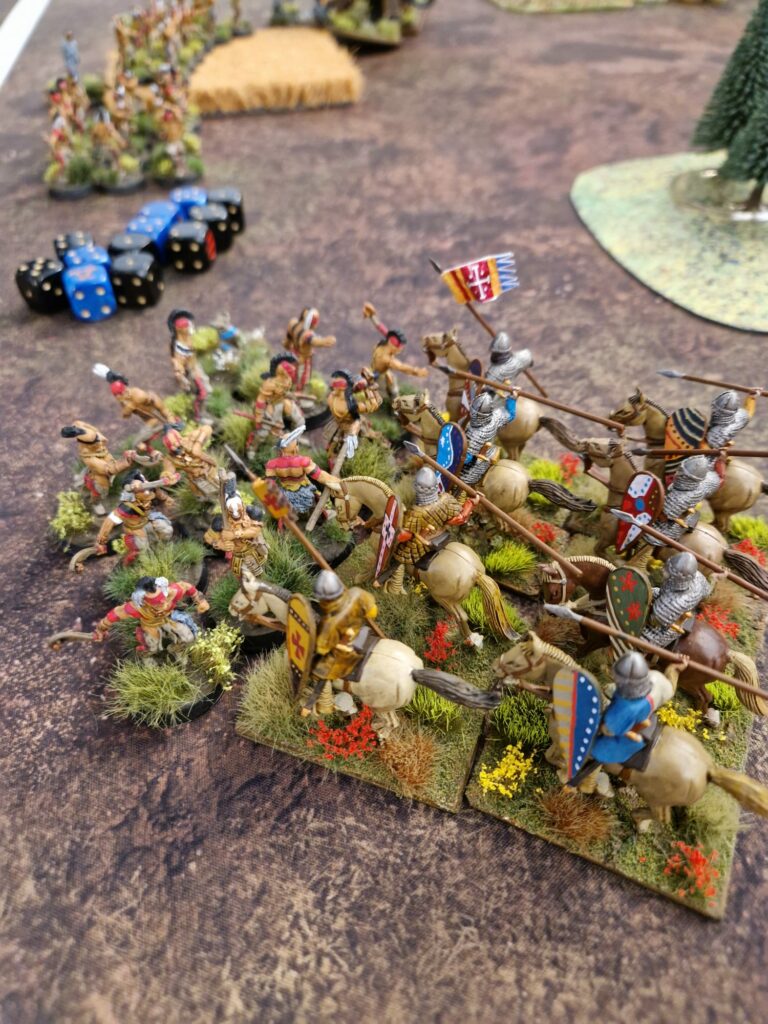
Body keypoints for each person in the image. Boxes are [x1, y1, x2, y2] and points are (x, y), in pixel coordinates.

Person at [93, 575, 209, 654]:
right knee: (152, 649)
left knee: (189, 637)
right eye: (156, 603)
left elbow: (187, 587)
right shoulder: (136, 608)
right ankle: (145, 644)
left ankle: (176, 648)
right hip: (151, 626)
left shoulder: (173, 592)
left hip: (169, 618)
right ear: (144, 600)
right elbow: (114, 615)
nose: (162, 603)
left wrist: (200, 600)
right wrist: (100, 630)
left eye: (163, 598)